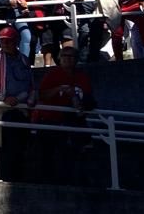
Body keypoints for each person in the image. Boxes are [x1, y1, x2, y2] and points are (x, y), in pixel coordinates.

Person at [31, 45, 98, 185]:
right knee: (47, 154)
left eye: (71, 56)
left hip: (73, 121)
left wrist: (78, 101)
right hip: (50, 120)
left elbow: (89, 99)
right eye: (64, 56)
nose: (68, 59)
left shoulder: (82, 77)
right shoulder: (53, 75)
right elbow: (42, 95)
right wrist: (59, 89)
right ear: (60, 59)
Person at [0, 26, 34, 180]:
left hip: (22, 109)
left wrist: (29, 97)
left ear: (16, 42)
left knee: (22, 146)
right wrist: (2, 98)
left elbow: (30, 83)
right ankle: (5, 177)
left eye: (8, 41)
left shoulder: (24, 59)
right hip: (2, 111)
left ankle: (19, 178)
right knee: (4, 147)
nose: (5, 44)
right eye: (2, 41)